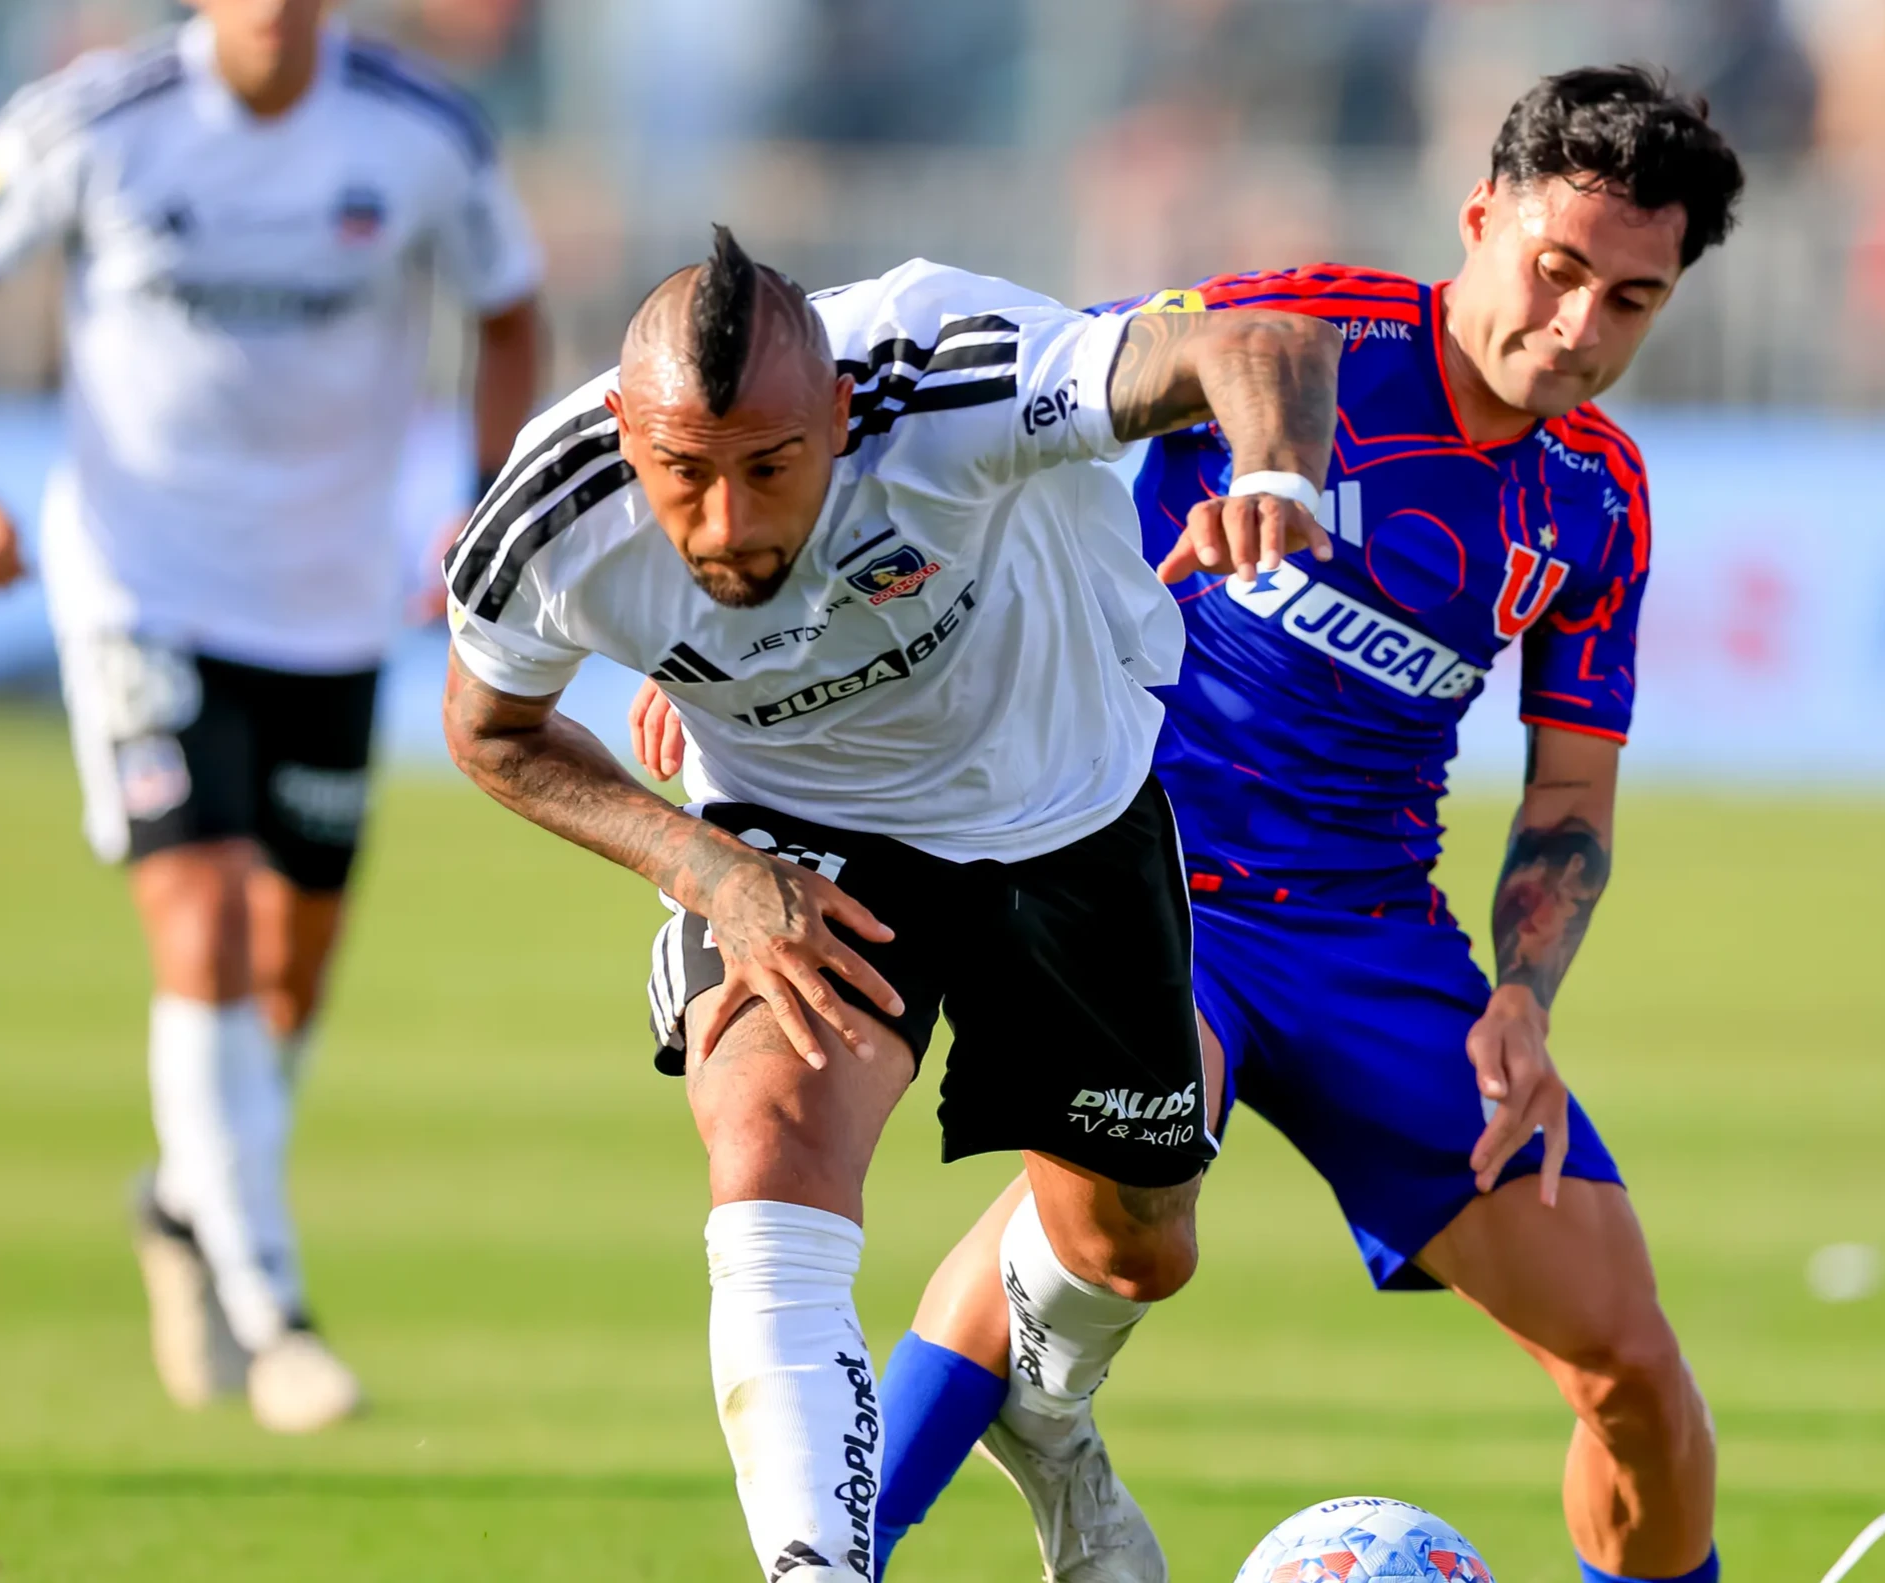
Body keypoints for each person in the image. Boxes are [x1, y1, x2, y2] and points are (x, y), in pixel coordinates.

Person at [631, 65, 1745, 1583]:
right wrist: (757, 645)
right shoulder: (1286, 331)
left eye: (1631, 300)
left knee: (1634, 1374)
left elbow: (1567, 793)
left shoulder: (1596, 497)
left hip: (1373, 938)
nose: (1576, 328)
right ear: (1481, 218)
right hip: (1148, 876)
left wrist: (1524, 1001)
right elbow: (955, 413)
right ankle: (839, 1557)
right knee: (1100, 1231)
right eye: (1556, 271)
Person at [441, 226, 1340, 1582]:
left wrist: (1274, 472)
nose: (726, 523)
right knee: (767, 1143)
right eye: (683, 474)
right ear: (625, 426)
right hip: (795, 839)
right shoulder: (549, 518)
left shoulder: (945, 371)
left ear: (845, 413)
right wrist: (710, 871)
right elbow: (491, 731)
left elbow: (1258, 340)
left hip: (1061, 810)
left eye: (770, 468)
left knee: (1138, 1245)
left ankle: (1046, 1419)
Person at [0, 0, 543, 1432]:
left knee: (293, 961)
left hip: (329, 601)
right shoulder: (97, 117)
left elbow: (510, 308)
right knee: (201, 918)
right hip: (141, 587)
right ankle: (272, 1303)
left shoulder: (423, 129)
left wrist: (486, 496)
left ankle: (184, 1197)